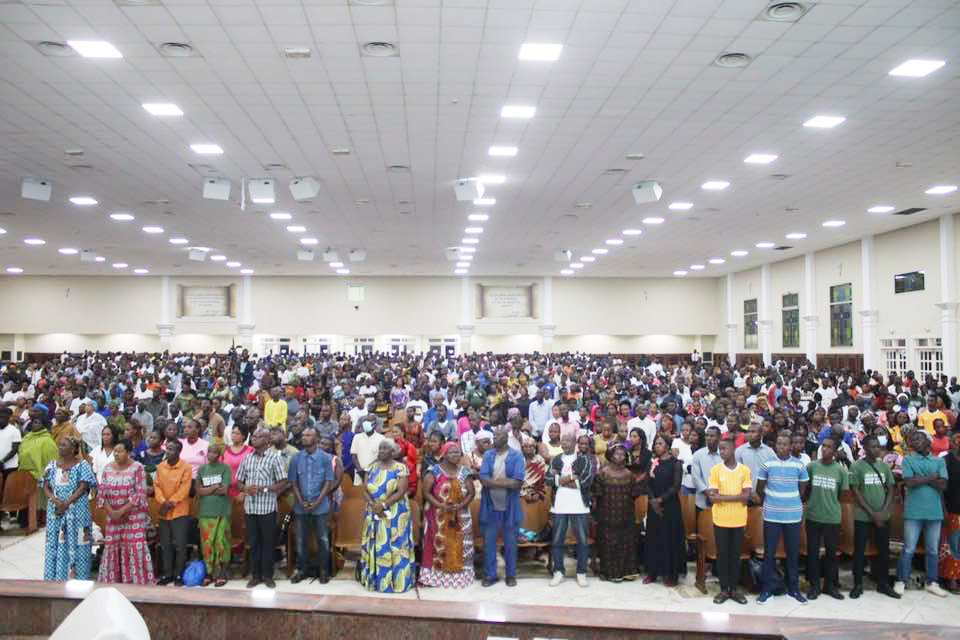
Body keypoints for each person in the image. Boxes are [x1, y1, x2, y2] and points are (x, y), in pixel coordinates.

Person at [756, 432, 809, 605]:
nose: (781, 447)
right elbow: (760, 489)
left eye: (785, 444)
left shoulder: (799, 465)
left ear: (791, 446)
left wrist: (791, 500)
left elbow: (803, 489)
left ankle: (793, 590)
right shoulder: (767, 464)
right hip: (772, 514)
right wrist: (770, 502)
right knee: (769, 554)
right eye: (778, 444)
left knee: (792, 553)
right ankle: (766, 590)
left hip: (792, 515)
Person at [895, 430, 949, 597]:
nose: (914, 441)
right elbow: (909, 483)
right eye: (913, 440)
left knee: (933, 550)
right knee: (908, 548)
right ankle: (901, 581)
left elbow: (943, 485)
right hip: (913, 511)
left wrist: (921, 478)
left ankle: (932, 582)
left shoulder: (938, 460)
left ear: (928, 441)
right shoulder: (908, 459)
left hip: (934, 511)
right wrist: (932, 477)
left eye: (918, 438)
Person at [359, 439, 415, 593]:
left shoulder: (400, 468)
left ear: (393, 451)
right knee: (376, 543)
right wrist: (374, 505)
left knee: (396, 545)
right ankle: (376, 581)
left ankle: (398, 582)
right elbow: (364, 490)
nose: (382, 451)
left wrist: (383, 505)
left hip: (396, 512)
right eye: (380, 448)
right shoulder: (371, 467)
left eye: (385, 448)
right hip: (373, 511)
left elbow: (401, 491)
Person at [236, 428, 288, 588]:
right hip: (250, 508)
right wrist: (246, 489)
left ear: (267, 440)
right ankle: (255, 575)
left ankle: (268, 576)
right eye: (253, 436)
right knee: (253, 543)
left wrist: (265, 489)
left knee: (268, 543)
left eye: (258, 437)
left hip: (267, 508)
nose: (254, 438)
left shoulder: (275, 458)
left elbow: (283, 481)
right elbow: (239, 481)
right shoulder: (247, 458)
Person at [97, 439, 154, 584]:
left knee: (134, 547)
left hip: (133, 516)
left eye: (120, 451)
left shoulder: (138, 468)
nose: (116, 454)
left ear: (128, 452)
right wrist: (112, 512)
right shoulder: (108, 468)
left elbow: (140, 493)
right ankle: (113, 581)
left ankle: (136, 582)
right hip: (113, 516)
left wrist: (122, 511)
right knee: (112, 547)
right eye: (115, 451)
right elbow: (102, 493)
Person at [419, 441, 476, 588]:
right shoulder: (434, 470)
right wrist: (440, 505)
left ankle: (460, 578)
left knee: (461, 546)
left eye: (457, 452)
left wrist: (460, 506)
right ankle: (435, 579)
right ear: (444, 454)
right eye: (452, 452)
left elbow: (471, 493)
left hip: (461, 515)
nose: (456, 455)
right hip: (438, 515)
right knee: (438, 546)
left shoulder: (465, 471)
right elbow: (426, 492)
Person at [849, 435, 899, 599]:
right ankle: (857, 585)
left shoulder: (883, 466)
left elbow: (891, 488)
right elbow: (856, 492)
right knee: (859, 551)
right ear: (865, 448)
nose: (876, 449)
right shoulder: (857, 466)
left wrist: (883, 510)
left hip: (883, 516)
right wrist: (872, 513)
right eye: (872, 446)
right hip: (863, 516)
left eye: (878, 446)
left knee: (883, 550)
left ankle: (883, 584)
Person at [41, 436, 97, 581]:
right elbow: (45, 486)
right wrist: (55, 500)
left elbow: (83, 487)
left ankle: (79, 579)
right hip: (55, 511)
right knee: (54, 542)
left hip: (77, 510)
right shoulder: (52, 465)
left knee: (79, 543)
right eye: (59, 445)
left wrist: (66, 503)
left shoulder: (83, 465)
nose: (60, 447)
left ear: (73, 449)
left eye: (64, 445)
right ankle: (55, 579)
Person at [478, 425, 525, 587]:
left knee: (510, 544)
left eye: (497, 436)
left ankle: (510, 575)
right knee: (489, 543)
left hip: (510, 507)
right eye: (494, 436)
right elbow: (483, 479)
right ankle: (490, 575)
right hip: (490, 506)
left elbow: (517, 483)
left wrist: (493, 482)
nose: (494, 438)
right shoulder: (488, 455)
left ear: (505, 438)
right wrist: (505, 482)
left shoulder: (516, 456)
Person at [707, 434, 751, 604]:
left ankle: (734, 589)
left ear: (733, 449)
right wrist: (736, 497)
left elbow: (746, 497)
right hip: (721, 519)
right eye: (720, 449)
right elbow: (712, 498)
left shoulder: (744, 470)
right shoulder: (716, 470)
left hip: (739, 519)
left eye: (724, 448)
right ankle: (724, 590)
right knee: (722, 556)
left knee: (735, 555)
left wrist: (722, 497)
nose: (721, 452)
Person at [288, 427, 335, 584]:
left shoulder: (325, 458)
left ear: (316, 439)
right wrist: (301, 501)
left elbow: (328, 482)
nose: (304, 437)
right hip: (300, 506)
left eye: (308, 435)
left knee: (323, 539)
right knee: (301, 539)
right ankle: (302, 569)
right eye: (303, 435)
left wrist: (317, 502)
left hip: (320, 506)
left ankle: (323, 571)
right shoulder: (296, 458)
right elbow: (293, 482)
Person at [804, 436, 849, 600]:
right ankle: (814, 586)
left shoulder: (841, 471)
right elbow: (806, 489)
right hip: (813, 515)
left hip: (832, 517)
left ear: (835, 451)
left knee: (831, 553)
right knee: (812, 552)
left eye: (829, 447)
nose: (824, 449)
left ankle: (830, 586)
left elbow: (842, 495)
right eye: (823, 446)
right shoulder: (812, 466)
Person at [547, 432, 594, 587]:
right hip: (559, 505)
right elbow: (548, 478)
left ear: (575, 443)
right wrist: (572, 477)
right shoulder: (555, 459)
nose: (564, 443)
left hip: (579, 506)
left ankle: (581, 573)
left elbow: (586, 480)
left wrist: (560, 479)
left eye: (568, 440)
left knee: (582, 540)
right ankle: (559, 572)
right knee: (557, 540)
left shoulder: (583, 459)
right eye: (563, 440)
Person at [593, 443, 638, 582]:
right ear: (611, 456)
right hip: (607, 514)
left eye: (622, 454)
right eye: (617, 453)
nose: (620, 456)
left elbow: (634, 494)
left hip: (626, 513)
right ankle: (610, 573)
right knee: (609, 544)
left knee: (626, 542)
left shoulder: (630, 474)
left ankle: (626, 571)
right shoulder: (602, 473)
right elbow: (597, 494)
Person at [644, 434, 684, 586]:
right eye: (655, 443)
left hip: (670, 506)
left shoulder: (676, 463)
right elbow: (647, 483)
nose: (657, 446)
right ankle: (652, 572)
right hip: (653, 506)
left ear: (667, 446)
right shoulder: (652, 462)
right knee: (653, 538)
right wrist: (653, 500)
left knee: (669, 540)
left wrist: (660, 500)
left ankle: (670, 574)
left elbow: (676, 485)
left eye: (660, 443)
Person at [154, 438, 193, 586]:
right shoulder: (160, 467)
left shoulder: (186, 468)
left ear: (178, 452)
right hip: (164, 511)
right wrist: (163, 501)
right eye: (167, 449)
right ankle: (167, 574)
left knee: (180, 545)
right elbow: (157, 486)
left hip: (179, 512)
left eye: (171, 449)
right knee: (166, 545)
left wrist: (170, 503)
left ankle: (178, 575)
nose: (168, 451)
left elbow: (184, 489)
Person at [195, 443, 232, 587]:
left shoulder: (225, 468)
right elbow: (199, 491)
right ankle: (209, 573)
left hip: (222, 510)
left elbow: (224, 490)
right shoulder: (202, 469)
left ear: (219, 454)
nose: (211, 454)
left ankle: (222, 572)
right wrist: (214, 487)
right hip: (205, 511)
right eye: (209, 451)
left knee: (221, 541)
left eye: (215, 452)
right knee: (207, 543)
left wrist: (207, 489)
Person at [940, 429, 960, 593]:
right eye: (956, 441)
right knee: (953, 545)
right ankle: (951, 578)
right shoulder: (945, 461)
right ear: (951, 443)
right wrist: (943, 509)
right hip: (952, 508)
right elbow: (941, 488)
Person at [735, 423, 775, 490]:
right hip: (745, 491)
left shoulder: (769, 452)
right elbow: (737, 473)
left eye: (753, 432)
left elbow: (772, 473)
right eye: (748, 432)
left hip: (764, 491)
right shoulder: (739, 451)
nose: (750, 434)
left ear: (761, 433)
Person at [692, 427, 723, 512]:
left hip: (723, 498)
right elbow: (696, 478)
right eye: (707, 435)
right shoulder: (698, 454)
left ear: (719, 437)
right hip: (702, 500)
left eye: (712, 436)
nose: (709, 438)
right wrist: (709, 494)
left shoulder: (725, 454)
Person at [350, 416, 386, 480]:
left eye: (369, 421)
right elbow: (354, 455)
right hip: (359, 473)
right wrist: (360, 470)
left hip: (375, 473)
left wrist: (371, 470)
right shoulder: (357, 437)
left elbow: (382, 456)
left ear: (374, 424)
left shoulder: (382, 438)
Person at [520, 434, 547, 502]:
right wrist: (525, 492)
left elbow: (541, 478)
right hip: (521, 491)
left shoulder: (539, 459)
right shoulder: (519, 460)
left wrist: (537, 492)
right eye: (526, 446)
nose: (528, 448)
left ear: (535, 447)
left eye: (531, 446)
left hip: (537, 491)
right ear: (522, 448)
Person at [0, 408, 21, 483]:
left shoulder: (15, 430)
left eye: (4, 418)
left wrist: (2, 461)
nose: (1, 420)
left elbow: (14, 450)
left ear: (8, 419)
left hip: (10, 466)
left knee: (8, 487)